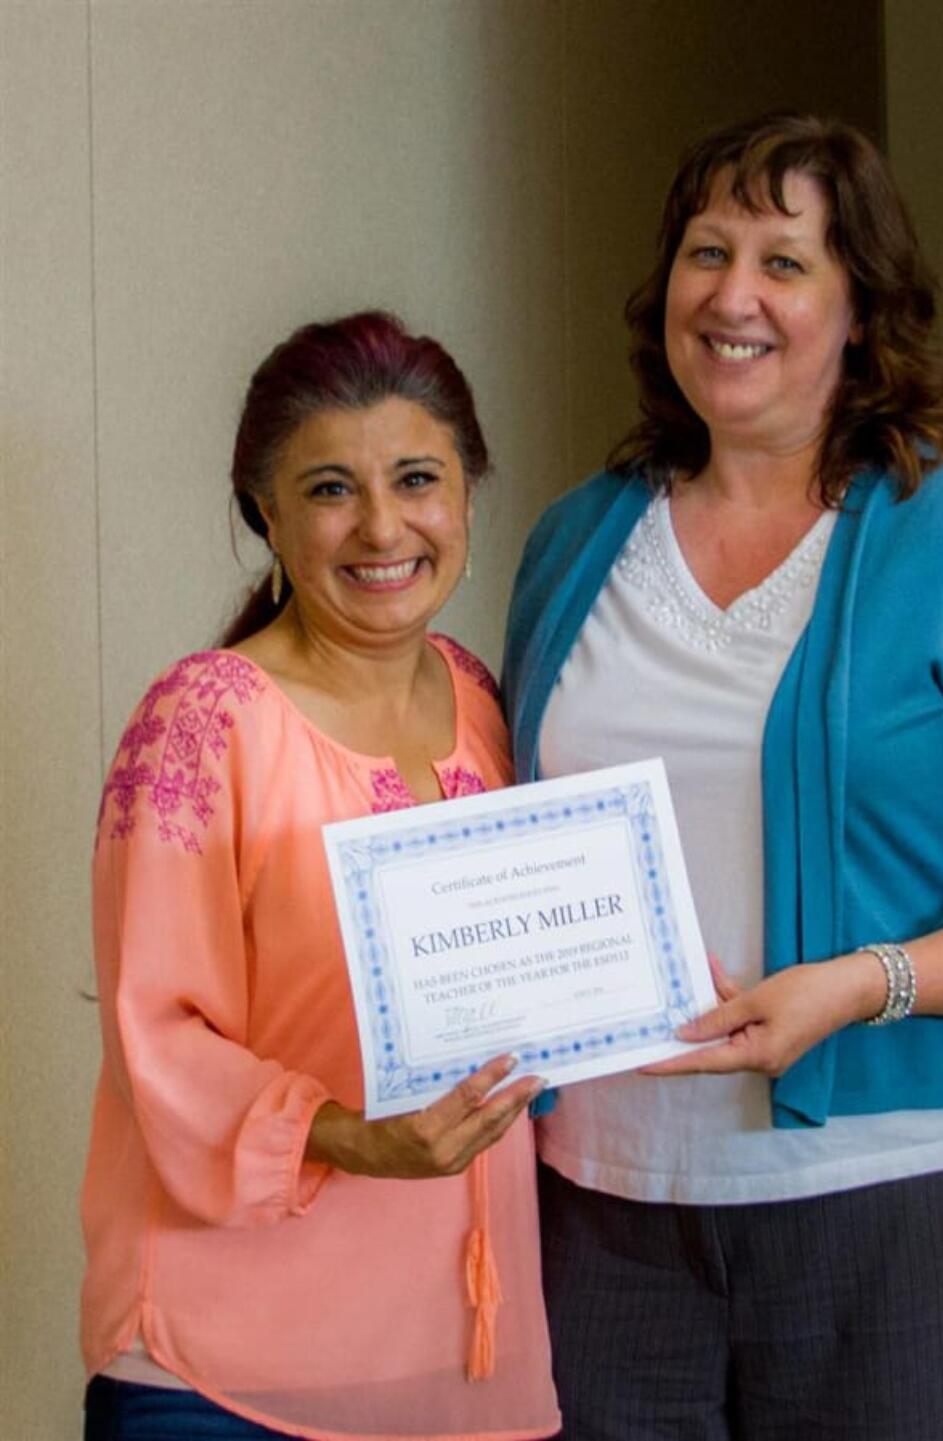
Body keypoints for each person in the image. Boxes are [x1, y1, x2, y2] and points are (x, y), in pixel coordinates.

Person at [502, 114, 943, 1441]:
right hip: (604, 1210)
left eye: (783, 260)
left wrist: (864, 984)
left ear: (861, 308)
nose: (731, 294)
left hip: (904, 1207)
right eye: (706, 251)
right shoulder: (575, 538)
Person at [81, 312, 560, 1441]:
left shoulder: (480, 696)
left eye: (417, 479)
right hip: (226, 1376)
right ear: (266, 511)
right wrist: (348, 1134)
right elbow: (159, 1037)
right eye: (333, 488)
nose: (383, 526)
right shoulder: (201, 722)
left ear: (468, 494)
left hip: (470, 1373)